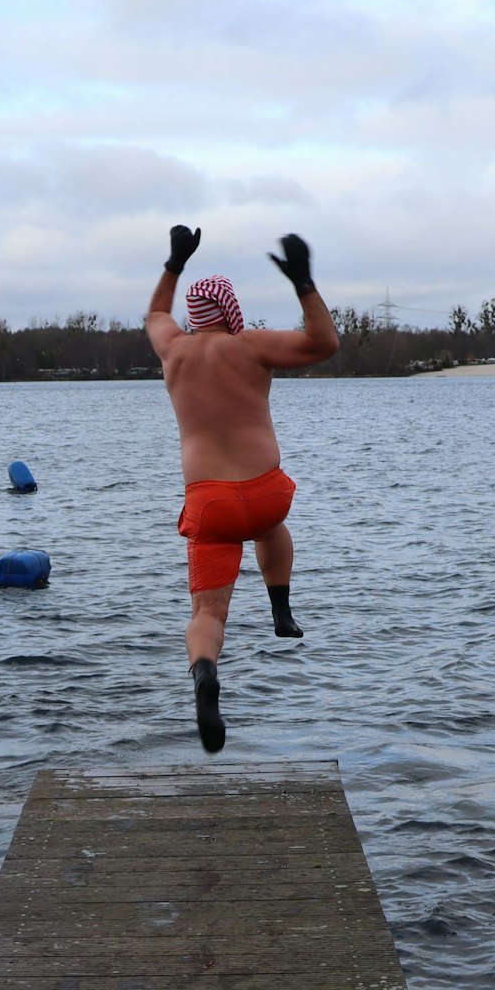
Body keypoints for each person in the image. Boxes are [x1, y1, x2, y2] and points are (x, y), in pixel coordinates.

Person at [146, 225, 339, 752]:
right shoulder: (250, 347)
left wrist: (174, 262)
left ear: (193, 316)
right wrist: (303, 283)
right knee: (271, 527)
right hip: (265, 493)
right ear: (232, 312)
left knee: (207, 614)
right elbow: (324, 343)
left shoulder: (174, 351)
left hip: (210, 504)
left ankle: (206, 673)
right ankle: (281, 609)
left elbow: (156, 314)